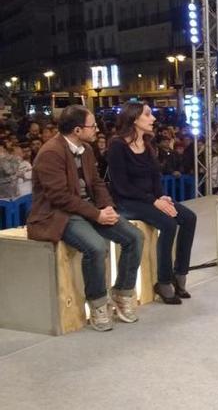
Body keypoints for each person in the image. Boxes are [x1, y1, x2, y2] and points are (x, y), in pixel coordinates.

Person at [26, 105, 144, 332]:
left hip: (88, 209)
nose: (97, 129)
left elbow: (97, 183)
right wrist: (96, 214)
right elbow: (59, 197)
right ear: (77, 130)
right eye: (93, 125)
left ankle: (122, 292)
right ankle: (98, 303)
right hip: (59, 214)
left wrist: (107, 208)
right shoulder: (51, 153)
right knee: (96, 247)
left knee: (134, 237)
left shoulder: (87, 150)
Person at [106, 102, 198, 305]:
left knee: (189, 218)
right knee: (168, 224)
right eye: (148, 115)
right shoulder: (117, 146)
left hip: (150, 198)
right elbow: (121, 186)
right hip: (128, 201)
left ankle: (180, 274)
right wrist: (153, 201)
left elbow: (155, 177)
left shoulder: (147, 145)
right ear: (134, 118)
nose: (153, 118)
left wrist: (162, 197)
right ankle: (163, 281)